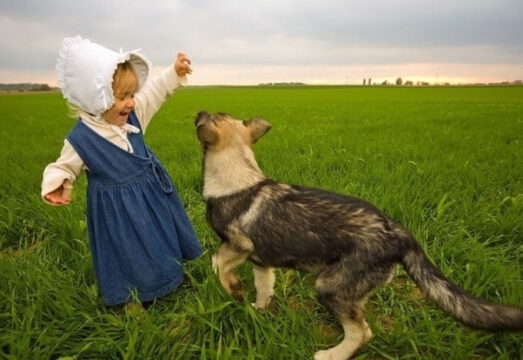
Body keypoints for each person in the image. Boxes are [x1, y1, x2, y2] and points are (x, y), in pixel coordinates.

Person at [42, 36, 202, 307]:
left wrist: (174, 72)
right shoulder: (81, 138)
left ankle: (168, 275)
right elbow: (64, 166)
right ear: (97, 97)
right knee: (127, 251)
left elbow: (155, 91)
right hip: (117, 211)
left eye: (131, 95)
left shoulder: (134, 114)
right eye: (121, 97)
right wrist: (58, 182)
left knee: (158, 236)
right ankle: (131, 296)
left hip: (151, 195)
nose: (130, 102)